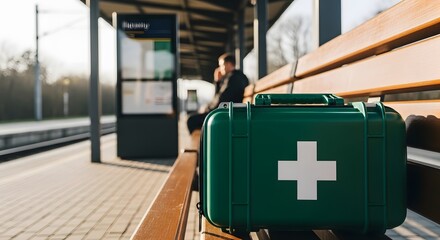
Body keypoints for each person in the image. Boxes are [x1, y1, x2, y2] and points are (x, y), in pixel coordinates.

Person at [187, 53, 249, 133]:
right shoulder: (235, 77)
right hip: (227, 112)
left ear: (229, 64)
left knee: (191, 120)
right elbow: (220, 97)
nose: (220, 69)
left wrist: (208, 109)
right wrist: (217, 82)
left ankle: (203, 145)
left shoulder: (234, 78)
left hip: (226, 114)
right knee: (194, 119)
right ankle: (203, 144)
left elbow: (222, 99)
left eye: (222, 65)